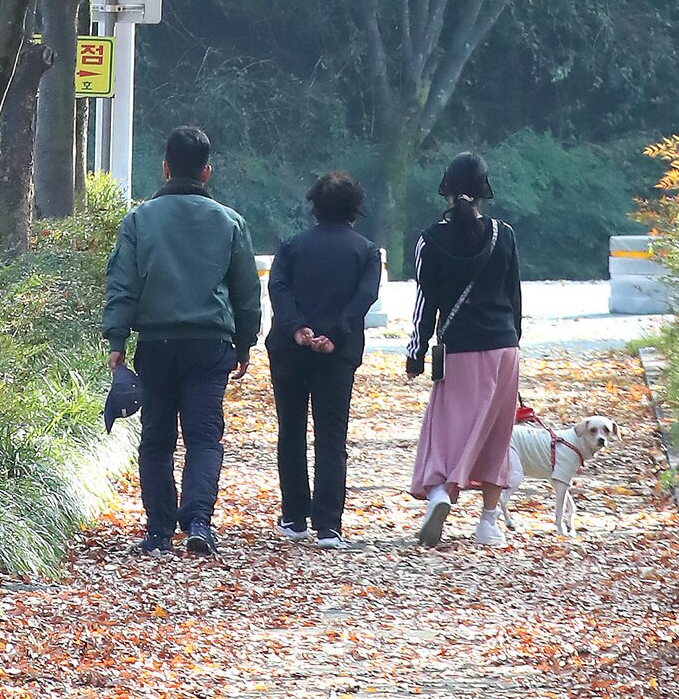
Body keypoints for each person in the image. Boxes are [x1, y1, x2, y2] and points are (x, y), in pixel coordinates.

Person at [102, 124, 262, 558]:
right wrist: (245, 343)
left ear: (165, 167)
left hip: (156, 341)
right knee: (205, 437)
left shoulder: (139, 220)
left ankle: (157, 531)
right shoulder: (230, 221)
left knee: (156, 437)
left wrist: (116, 336)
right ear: (206, 172)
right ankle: (198, 522)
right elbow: (247, 291)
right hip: (210, 343)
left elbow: (123, 283)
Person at [405, 150, 522, 549]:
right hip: (503, 347)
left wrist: (416, 352)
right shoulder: (503, 234)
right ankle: (488, 522)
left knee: (447, 426)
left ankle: (439, 492)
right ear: (484, 189)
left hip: (459, 349)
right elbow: (514, 298)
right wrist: (514, 344)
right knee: (496, 431)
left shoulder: (429, 240)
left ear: (447, 190)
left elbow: (426, 300)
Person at [266, 170, 382, 548]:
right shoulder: (366, 252)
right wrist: (336, 332)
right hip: (338, 354)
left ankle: (294, 517)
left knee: (292, 430)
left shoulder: (291, 246)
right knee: (332, 436)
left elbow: (278, 287)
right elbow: (363, 298)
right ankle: (329, 525)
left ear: (314, 206)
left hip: (289, 349)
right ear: (355, 209)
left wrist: (298, 328)